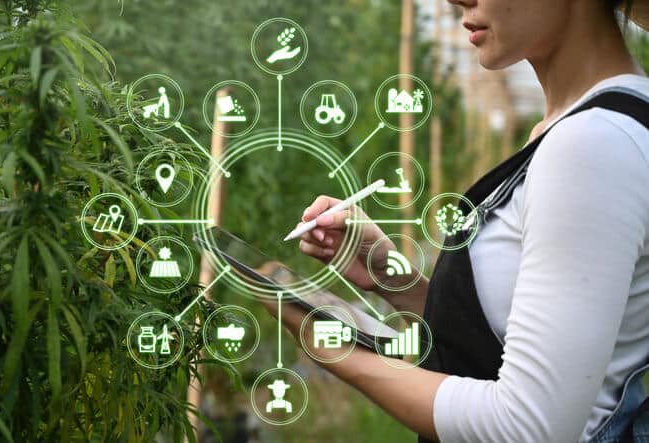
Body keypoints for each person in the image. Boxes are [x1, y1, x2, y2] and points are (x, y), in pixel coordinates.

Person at [270, 0, 649, 441]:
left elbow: (528, 427)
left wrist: (338, 350)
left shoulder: (592, 145)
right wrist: (395, 279)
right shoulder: (596, 125)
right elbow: (523, 349)